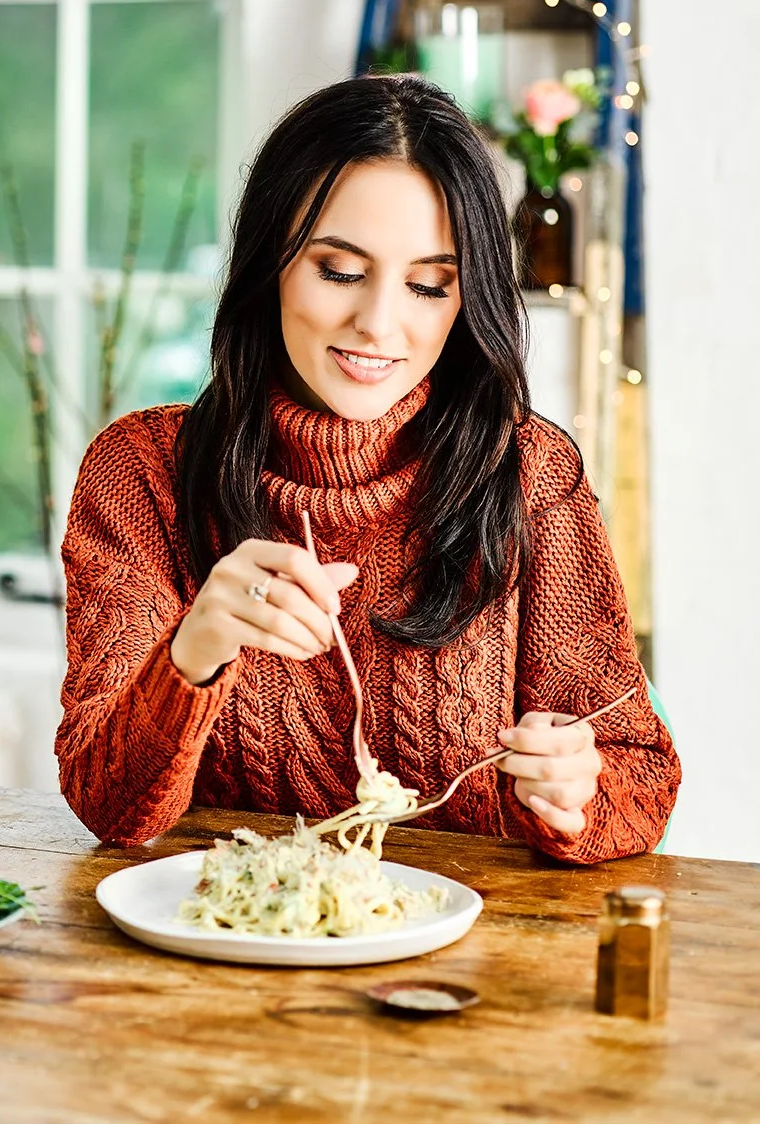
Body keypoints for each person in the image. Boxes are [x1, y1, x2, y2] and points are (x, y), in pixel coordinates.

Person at [55, 74, 678, 864]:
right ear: (269, 263)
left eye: (427, 285)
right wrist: (192, 652)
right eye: (340, 272)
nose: (379, 324)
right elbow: (108, 809)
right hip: (225, 932)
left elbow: (639, 780)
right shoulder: (140, 472)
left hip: (474, 938)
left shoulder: (528, 474)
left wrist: (575, 789)